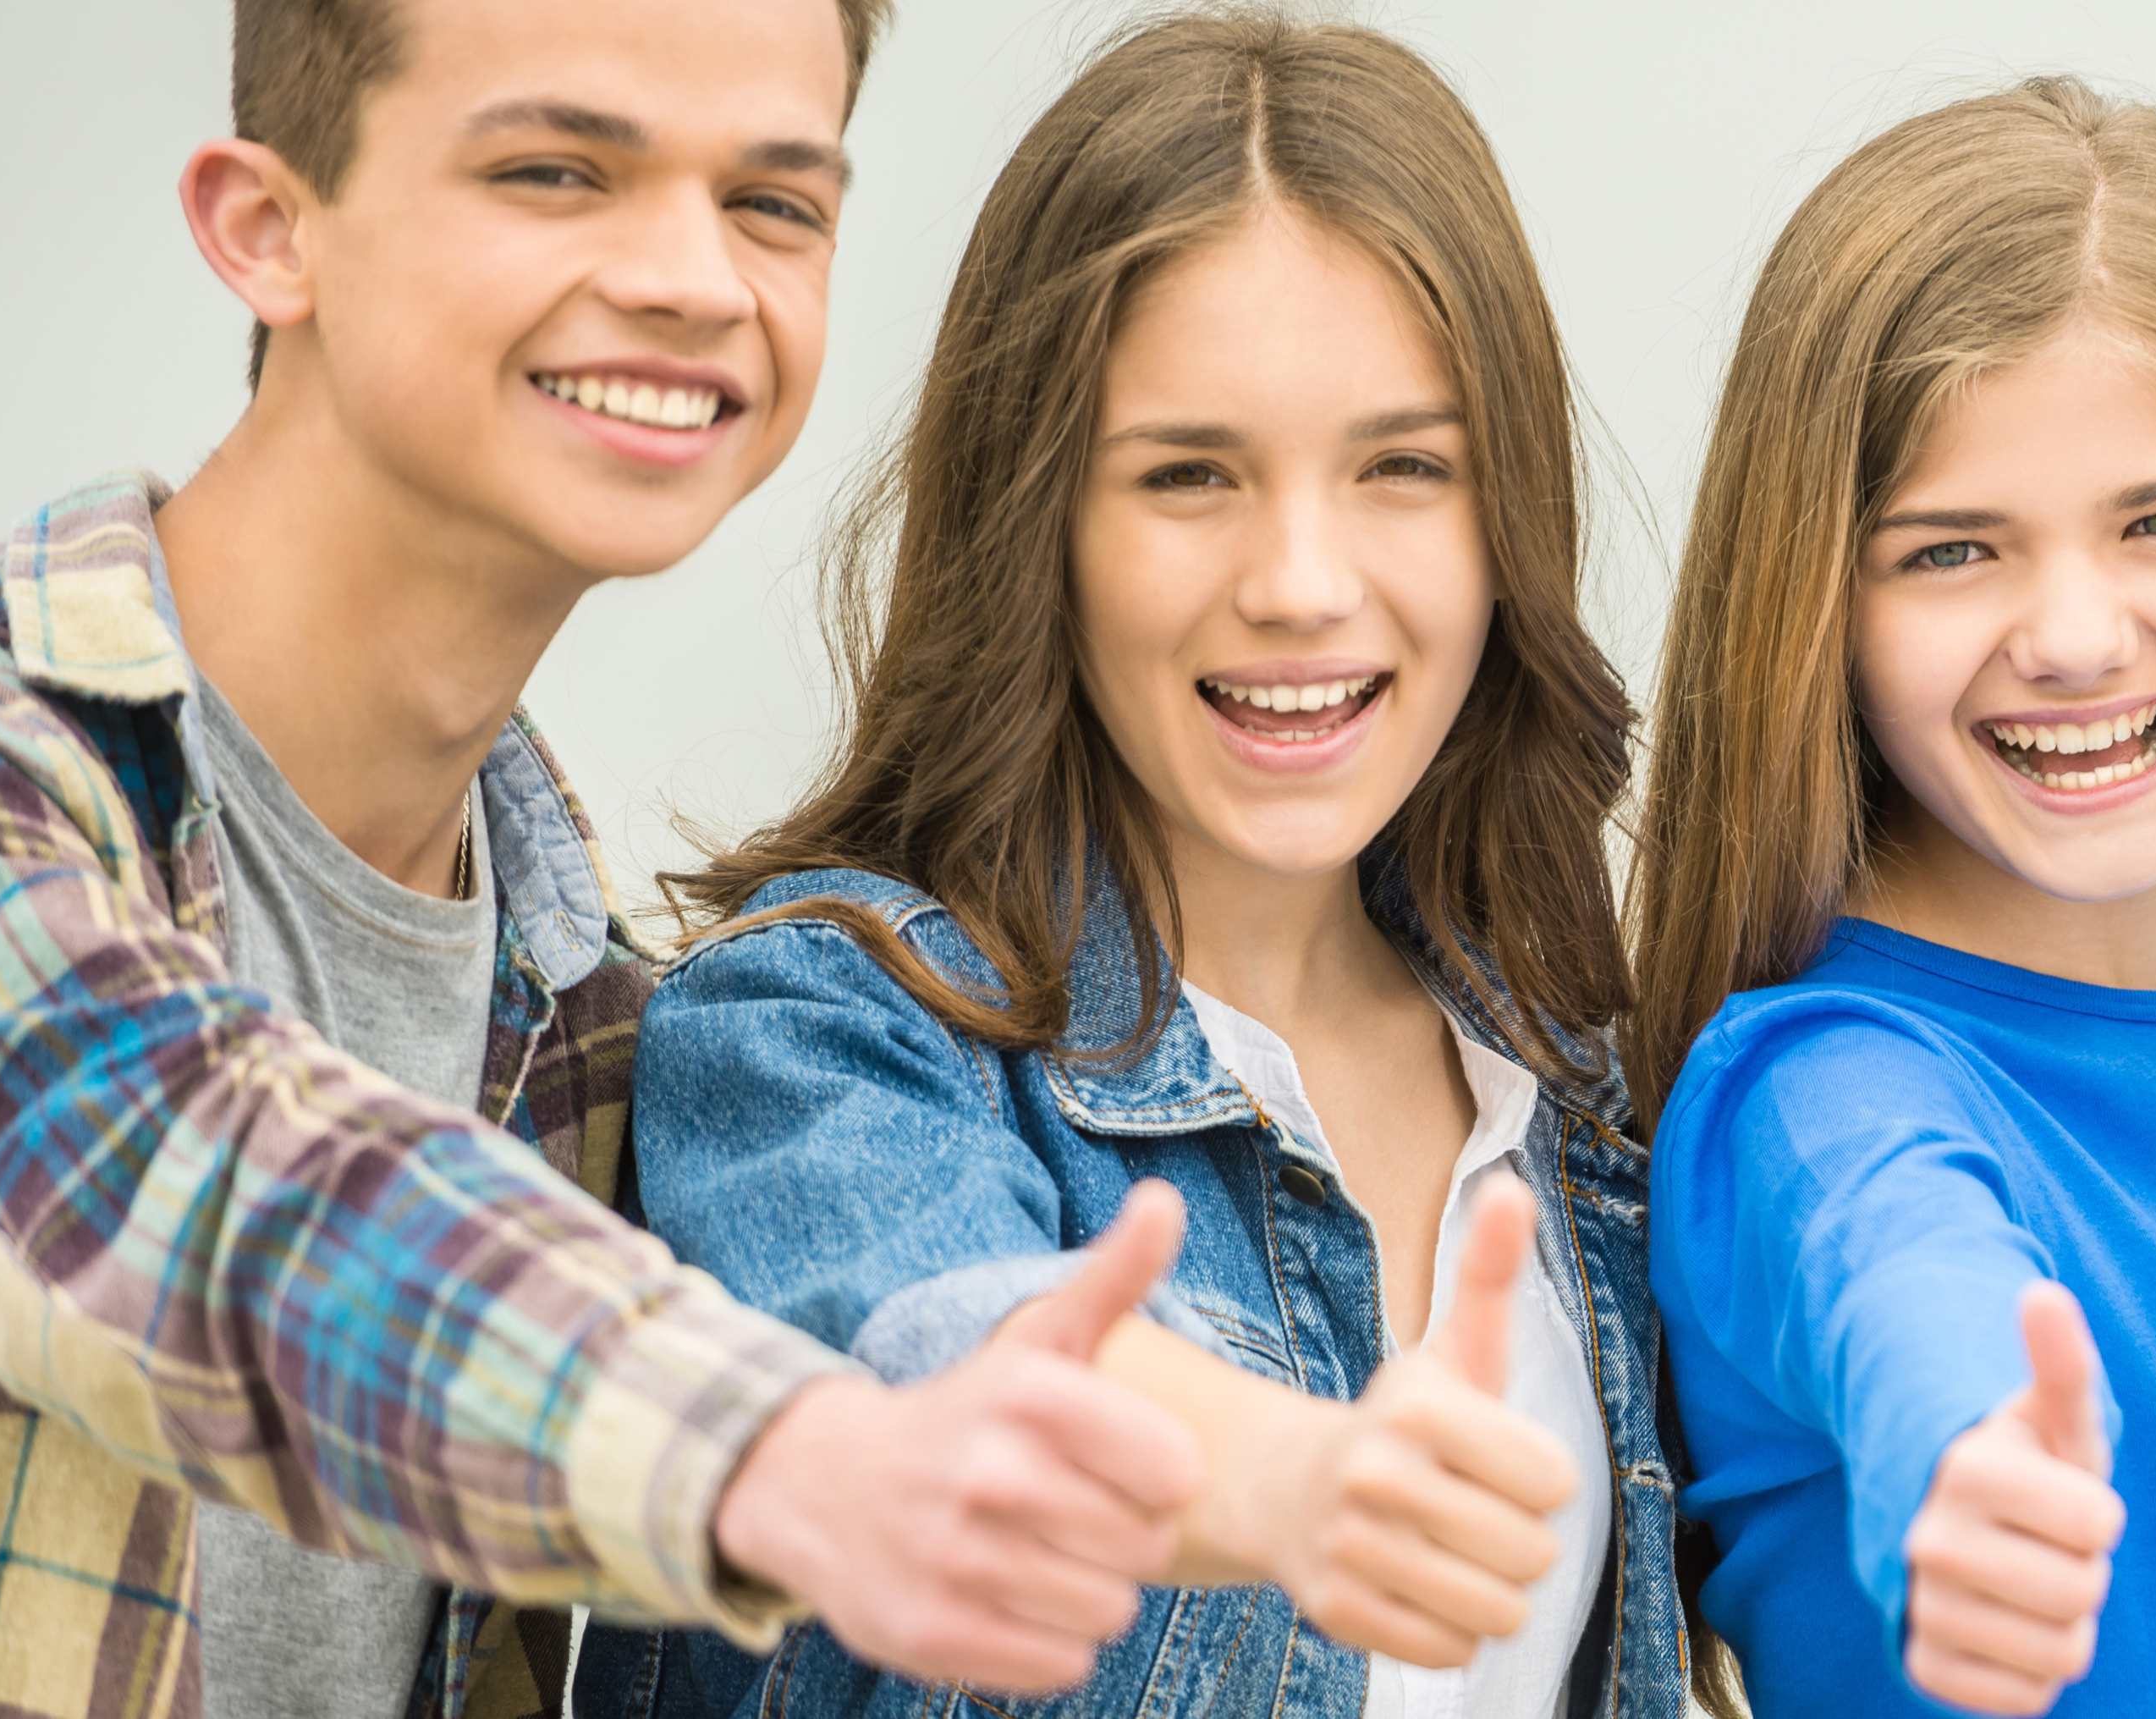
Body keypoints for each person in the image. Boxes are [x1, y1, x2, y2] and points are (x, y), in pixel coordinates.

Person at [0, 1, 1213, 1715]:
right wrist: (788, 1456)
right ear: (266, 229)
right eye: (557, 169)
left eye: (773, 202)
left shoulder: (588, 1024)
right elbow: (199, 1194)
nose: (692, 278)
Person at [585, 13, 1686, 1716]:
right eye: (1189, 474)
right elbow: (953, 1360)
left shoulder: (1580, 1095)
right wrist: (1274, 1479)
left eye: (1402, 467)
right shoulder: (816, 1038)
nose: (1302, 582)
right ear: (1043, 525)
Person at [1631, 76, 2156, 1719]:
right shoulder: (1819, 1088)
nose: (2073, 634)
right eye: (1952, 551)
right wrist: (1978, 1462)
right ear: (1819, 594)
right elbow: (1915, 1283)